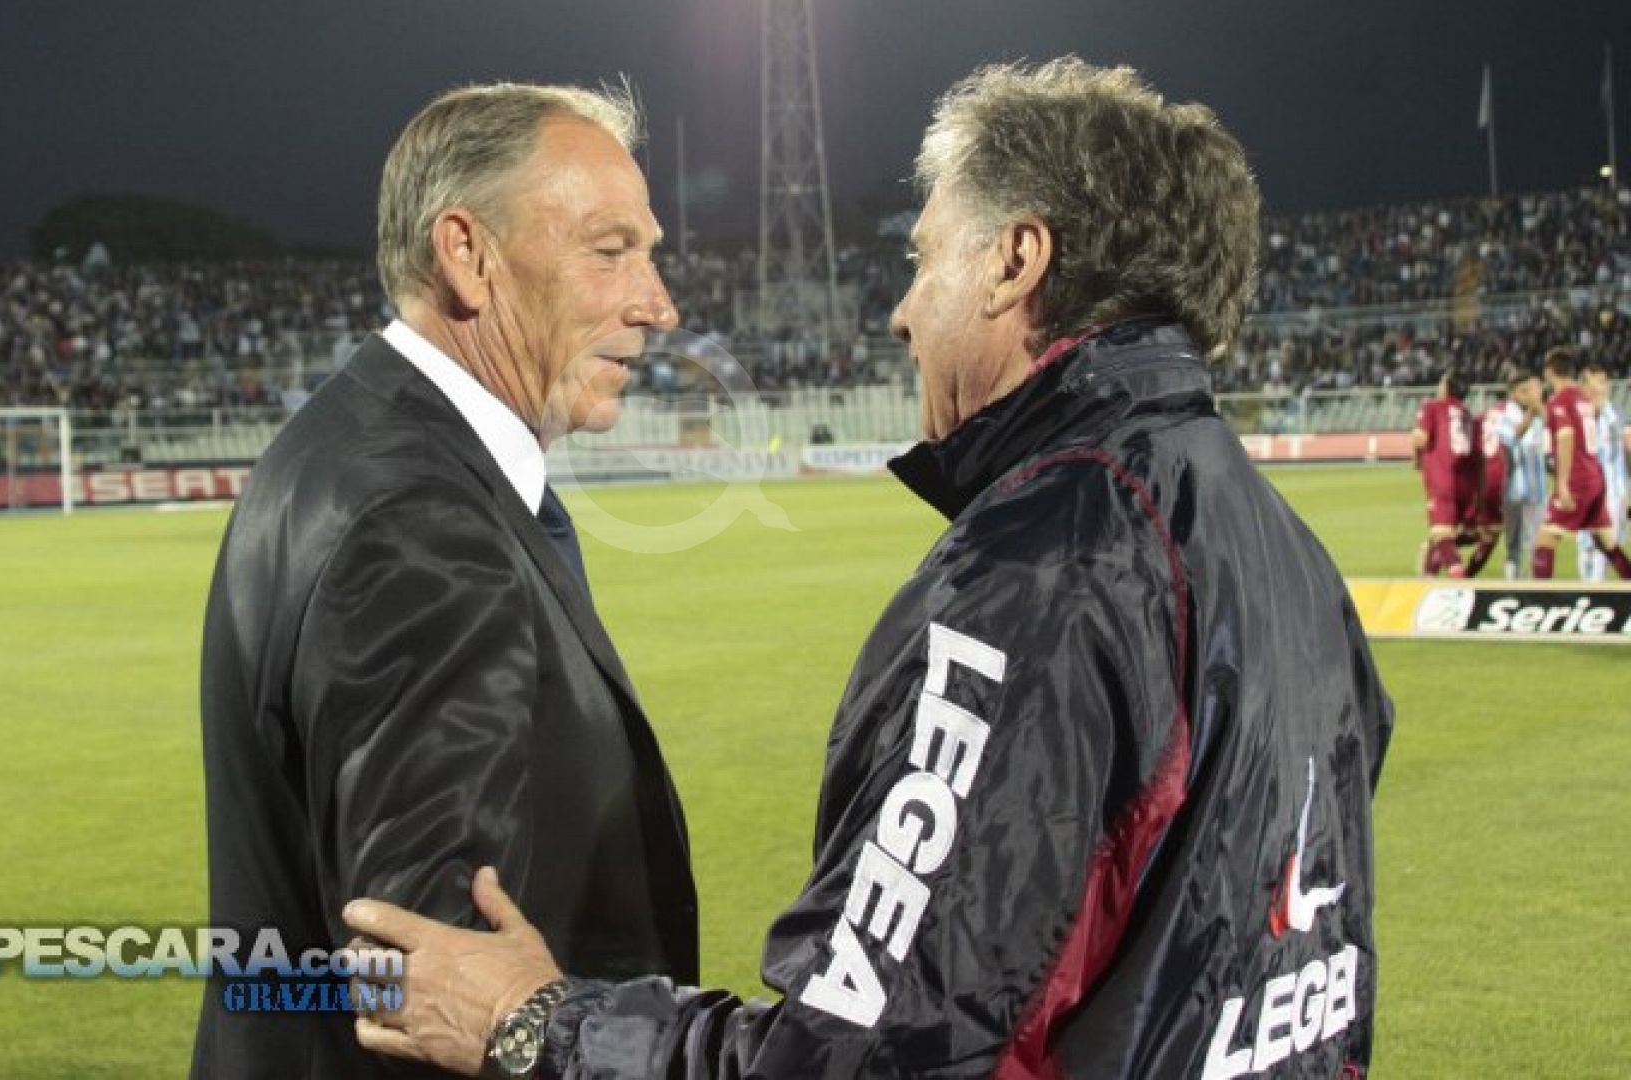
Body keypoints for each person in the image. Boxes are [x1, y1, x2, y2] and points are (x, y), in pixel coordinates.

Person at [345, 58, 1394, 1079]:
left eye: (923, 258)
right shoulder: (1287, 554)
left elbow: (856, 1057)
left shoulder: (1041, 574)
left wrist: (543, 1025)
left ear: (1016, 261)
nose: (902, 311)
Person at [193, 82, 698, 1077]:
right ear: (467, 253)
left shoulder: (353, 445)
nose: (658, 304)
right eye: (610, 251)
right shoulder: (419, 521)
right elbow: (433, 1000)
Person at [1533, 347, 1631, 580]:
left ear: (1549, 372)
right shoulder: (1584, 400)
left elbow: (1566, 438)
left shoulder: (1560, 400)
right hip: (1596, 477)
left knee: (1545, 539)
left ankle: (1540, 595)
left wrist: (1563, 484)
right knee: (1606, 541)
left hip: (1577, 479)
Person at [1409, 373, 1479, 577]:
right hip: (1466, 483)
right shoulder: (1467, 413)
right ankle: (1429, 579)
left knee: (1441, 535)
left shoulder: (1433, 406)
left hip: (1443, 478)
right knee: (1444, 535)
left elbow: (1420, 439)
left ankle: (1459, 578)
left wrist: (1416, 459)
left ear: (1446, 387)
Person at [1480, 373, 1547, 580]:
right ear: (1513, 394)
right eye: (1523, 391)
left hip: (1537, 490)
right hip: (1515, 490)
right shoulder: (1504, 416)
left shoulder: (1538, 416)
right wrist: (1533, 413)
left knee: (1538, 543)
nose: (1528, 395)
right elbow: (1514, 437)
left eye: (1530, 390)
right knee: (1514, 544)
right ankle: (1512, 584)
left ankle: (1536, 585)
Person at [1575, 363, 1628, 582]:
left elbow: (1627, 450)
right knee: (1585, 544)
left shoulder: (1616, 413)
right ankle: (1587, 587)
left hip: (1613, 490)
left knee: (1607, 543)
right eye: (1593, 382)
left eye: (1602, 382)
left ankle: (1597, 587)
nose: (1599, 387)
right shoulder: (1576, 413)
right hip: (1585, 490)